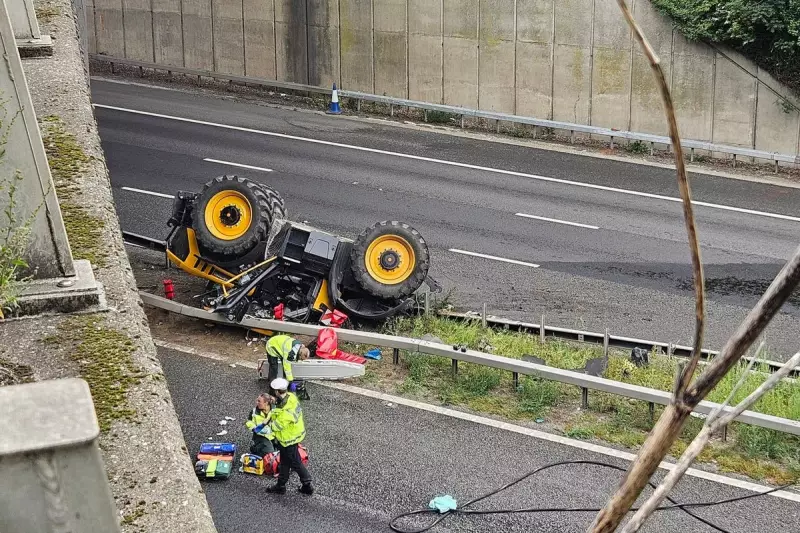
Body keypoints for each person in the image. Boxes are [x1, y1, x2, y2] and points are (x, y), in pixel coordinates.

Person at [265, 377, 314, 496]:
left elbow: (276, 426)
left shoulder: (284, 412)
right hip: (292, 437)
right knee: (285, 462)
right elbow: (281, 405)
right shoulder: (291, 398)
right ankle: (281, 485)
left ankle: (307, 485)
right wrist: (274, 402)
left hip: (288, 439)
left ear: (277, 392)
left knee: (295, 462)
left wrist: (265, 422)